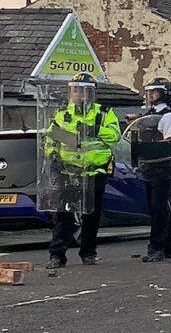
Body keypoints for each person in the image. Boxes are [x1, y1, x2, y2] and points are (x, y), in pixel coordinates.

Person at [44, 73, 121, 269]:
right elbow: (52, 139)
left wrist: (96, 129)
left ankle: (88, 253)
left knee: (91, 217)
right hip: (68, 173)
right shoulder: (63, 114)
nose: (77, 93)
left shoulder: (103, 113)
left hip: (94, 173)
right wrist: (53, 155)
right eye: (74, 89)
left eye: (81, 89)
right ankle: (57, 256)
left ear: (90, 92)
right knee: (63, 216)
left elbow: (115, 136)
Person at [136, 77, 171, 263]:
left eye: (154, 92)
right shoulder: (150, 114)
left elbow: (169, 141)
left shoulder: (168, 116)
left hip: (163, 166)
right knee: (158, 208)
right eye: (149, 92)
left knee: (158, 207)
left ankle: (156, 247)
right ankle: (168, 245)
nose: (151, 95)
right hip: (149, 165)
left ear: (164, 94)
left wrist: (151, 145)